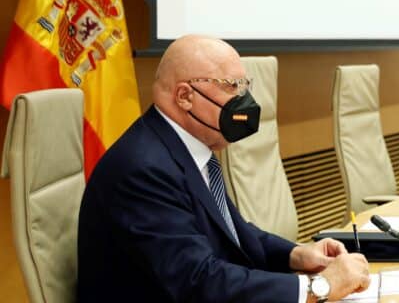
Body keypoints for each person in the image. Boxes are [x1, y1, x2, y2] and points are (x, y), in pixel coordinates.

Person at [77, 35, 370, 303]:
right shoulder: (143, 169)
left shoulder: (188, 149)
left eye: (245, 86)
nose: (244, 102)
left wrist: (297, 255)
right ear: (184, 96)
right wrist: (318, 288)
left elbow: (236, 235)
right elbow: (198, 282)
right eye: (231, 87)